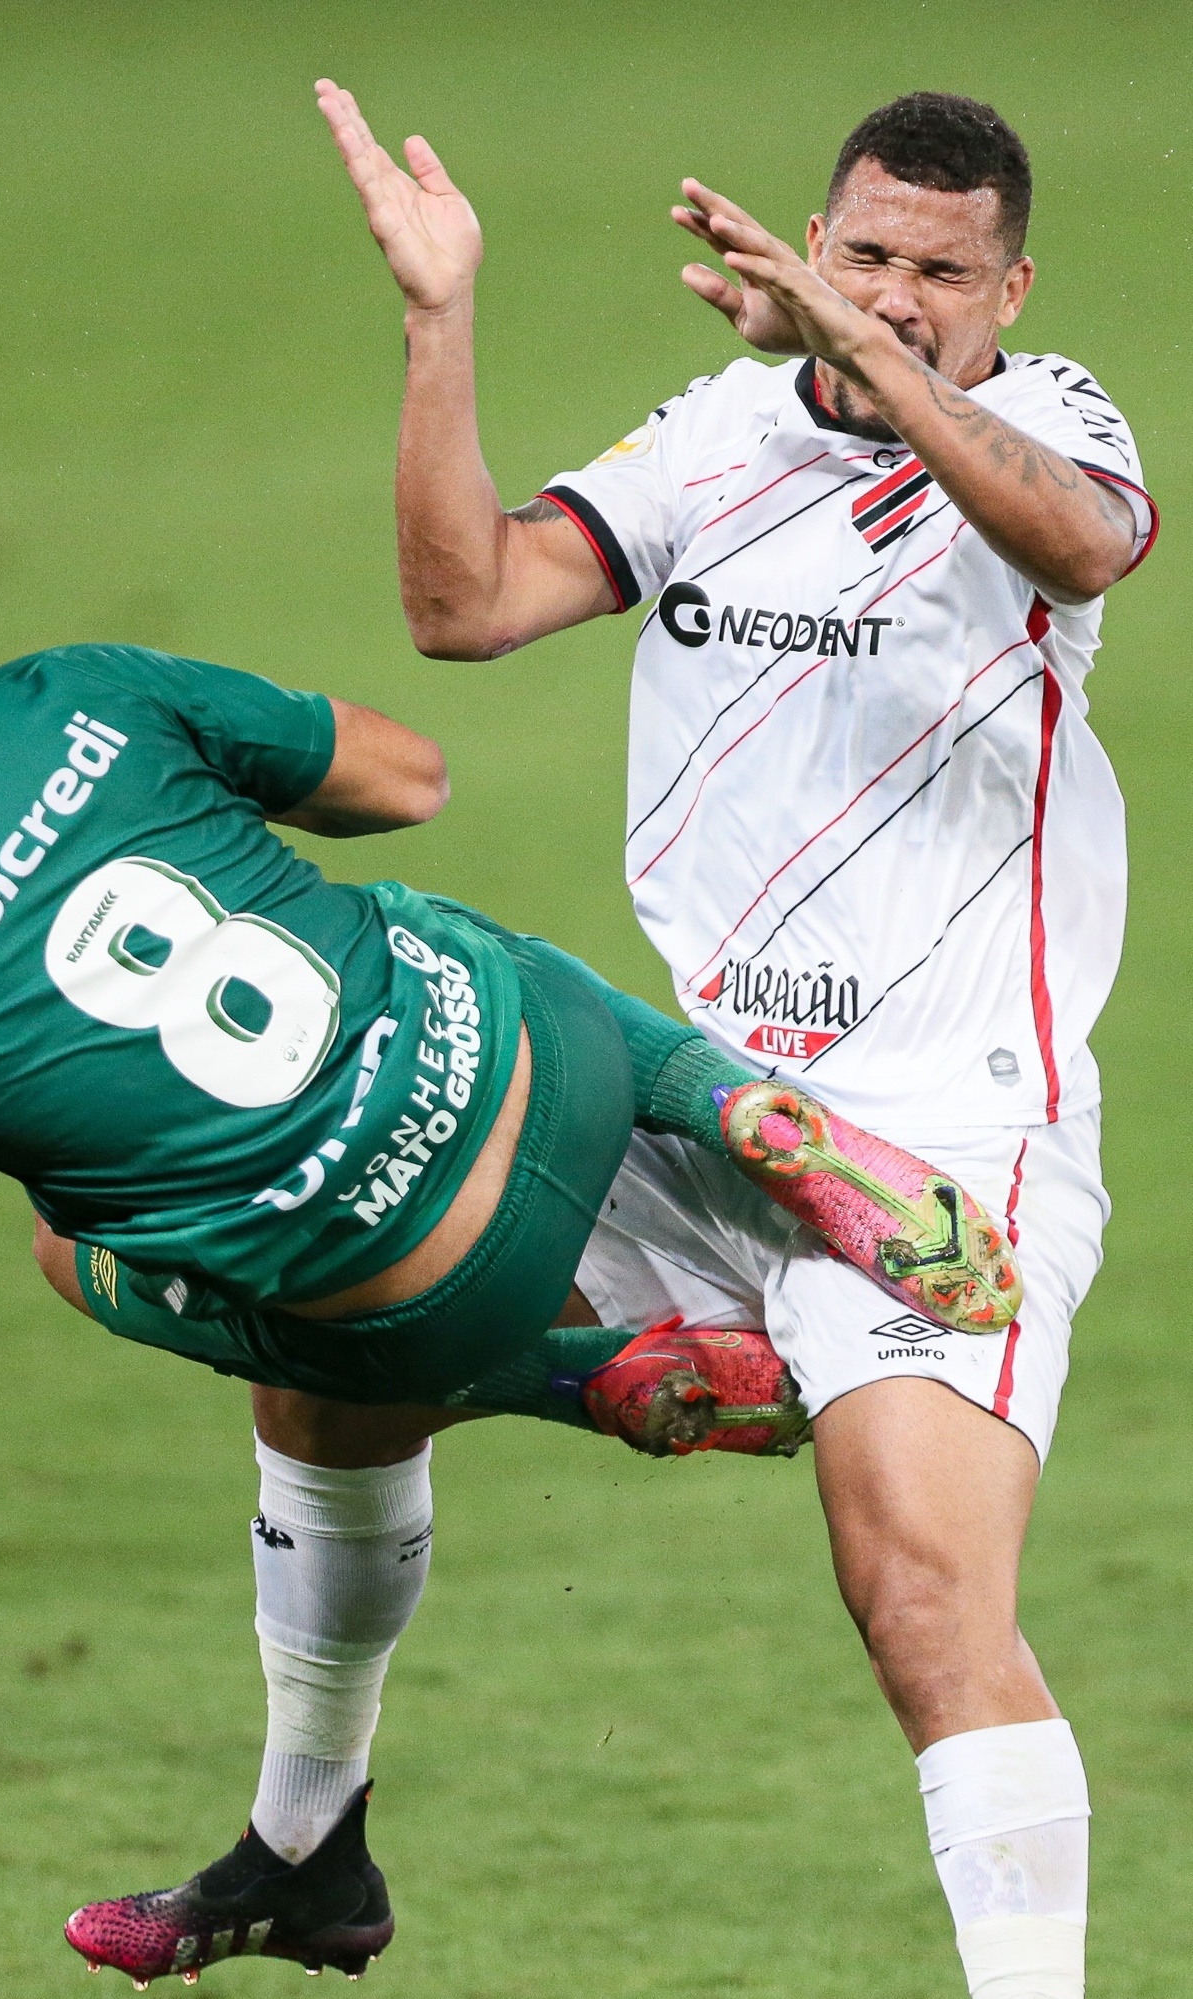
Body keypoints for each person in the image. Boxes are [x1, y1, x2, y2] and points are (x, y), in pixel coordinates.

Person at [0, 496, 1016, 1983]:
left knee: (94, 1253)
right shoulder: (64, 691)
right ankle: (730, 1101)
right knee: (408, 923)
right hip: (552, 1060)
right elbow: (407, 779)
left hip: (431, 1302)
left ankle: (562, 1379)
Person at [317, 80, 1152, 1999]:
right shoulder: (712, 436)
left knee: (923, 1601)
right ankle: (302, 1838)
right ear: (809, 238)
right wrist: (440, 321)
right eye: (860, 255)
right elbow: (463, 605)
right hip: (710, 1119)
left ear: (1006, 289)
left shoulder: (1048, 422)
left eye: (940, 275)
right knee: (335, 1296)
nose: (893, 295)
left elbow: (1085, 550)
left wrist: (879, 362)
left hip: (951, 1143)